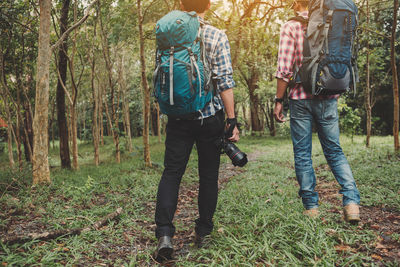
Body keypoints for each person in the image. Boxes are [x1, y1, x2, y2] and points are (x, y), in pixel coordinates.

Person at [154, 0, 239, 262]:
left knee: (171, 173)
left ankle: (165, 234)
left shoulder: (167, 32)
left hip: (178, 117)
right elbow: (224, 81)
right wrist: (232, 120)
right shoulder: (216, 34)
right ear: (208, 4)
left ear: (181, 3)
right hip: (209, 116)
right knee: (208, 175)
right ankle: (203, 232)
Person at [274, 0, 361, 222]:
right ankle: (351, 203)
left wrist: (278, 100)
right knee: (334, 150)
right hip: (329, 95)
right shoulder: (331, 20)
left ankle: (311, 209)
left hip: (300, 98)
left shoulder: (291, 26)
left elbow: (284, 70)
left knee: (303, 153)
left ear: (295, 2)